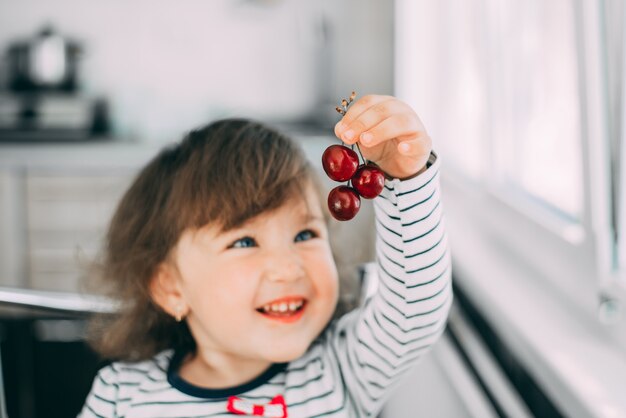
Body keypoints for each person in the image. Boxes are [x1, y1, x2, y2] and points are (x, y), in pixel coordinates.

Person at [79, 94, 452, 418]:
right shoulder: (122, 397)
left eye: (305, 234)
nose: (288, 267)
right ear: (170, 287)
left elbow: (414, 310)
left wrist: (406, 178)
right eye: (244, 242)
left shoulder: (340, 370)